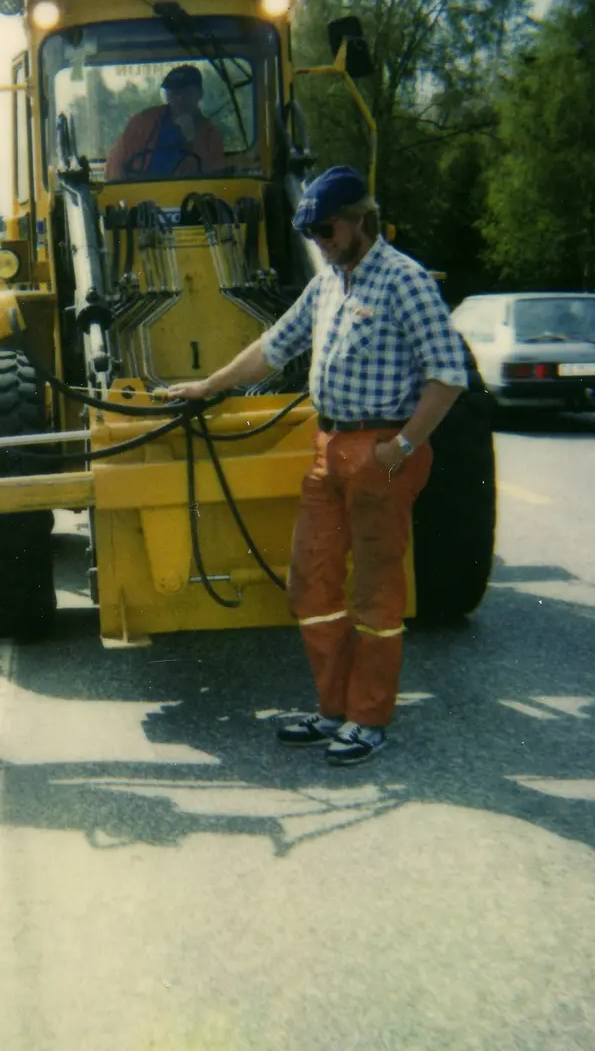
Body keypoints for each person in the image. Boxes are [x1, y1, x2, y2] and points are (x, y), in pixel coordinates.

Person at [168, 165, 467, 765]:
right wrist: (210, 384)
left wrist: (402, 447)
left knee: (377, 593)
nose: (322, 245)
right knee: (310, 583)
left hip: (381, 452)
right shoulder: (330, 281)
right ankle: (333, 709)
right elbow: (274, 345)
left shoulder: (404, 281)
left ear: (361, 219)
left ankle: (369, 718)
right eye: (314, 236)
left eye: (328, 231)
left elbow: (449, 374)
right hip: (328, 449)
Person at [104, 64, 225, 182]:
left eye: (187, 93)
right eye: (174, 94)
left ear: (200, 94)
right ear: (167, 96)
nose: (180, 100)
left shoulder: (210, 135)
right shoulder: (142, 122)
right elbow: (115, 161)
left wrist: (193, 139)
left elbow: (214, 177)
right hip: (139, 195)